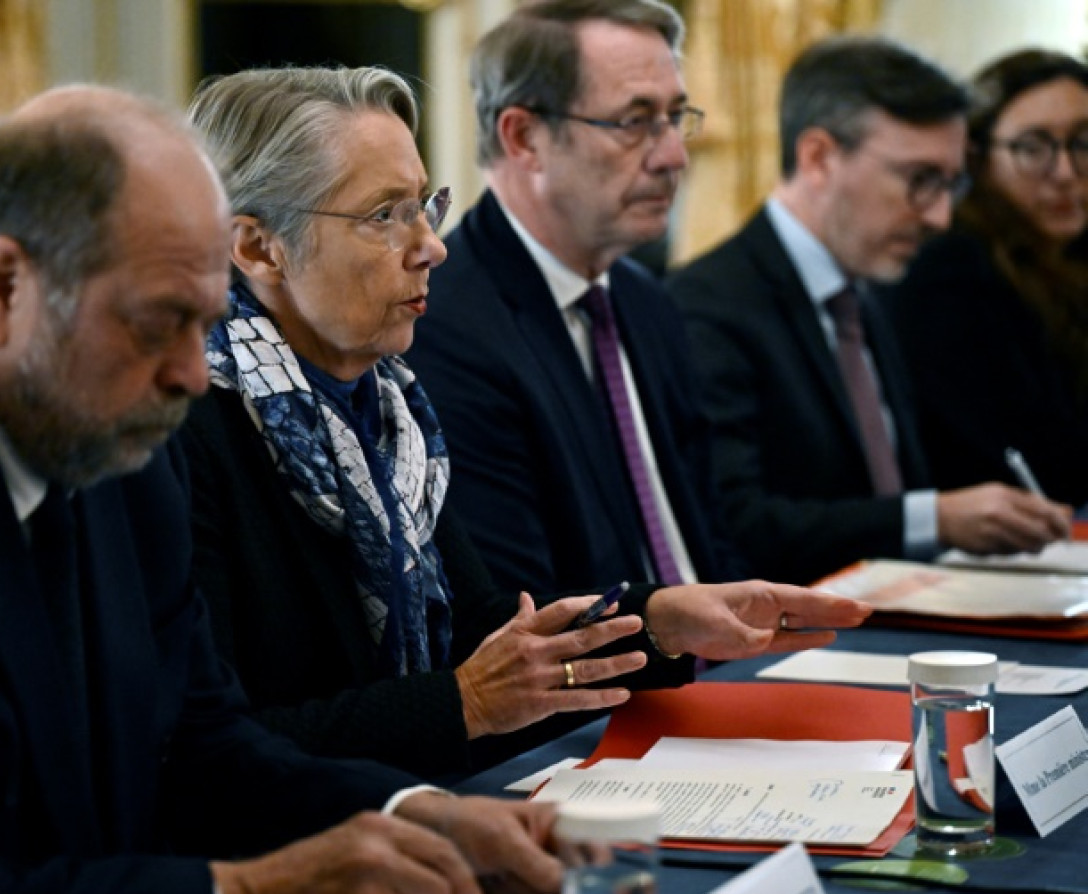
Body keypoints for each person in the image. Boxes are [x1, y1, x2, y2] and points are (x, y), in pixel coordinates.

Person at [0, 84, 567, 894]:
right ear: (4, 286)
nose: (193, 374)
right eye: (158, 322)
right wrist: (248, 892)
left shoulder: (119, 430)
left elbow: (201, 742)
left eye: (203, 324)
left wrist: (421, 816)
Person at [178, 65, 871, 780]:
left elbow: (484, 628)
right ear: (258, 247)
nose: (431, 245)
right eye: (383, 216)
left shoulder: (386, 400)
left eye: (424, 205)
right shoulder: (187, 432)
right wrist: (466, 704)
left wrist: (656, 620)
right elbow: (213, 753)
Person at [667, 36, 1073, 586]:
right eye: (920, 181)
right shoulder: (707, 307)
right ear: (819, 159)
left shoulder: (864, 291)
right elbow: (736, 524)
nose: (939, 217)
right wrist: (937, 517)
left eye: (952, 185)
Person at [407, 0, 747, 598]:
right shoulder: (446, 326)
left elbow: (709, 537)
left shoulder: (647, 304)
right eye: (635, 122)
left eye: (675, 117)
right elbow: (523, 609)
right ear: (525, 137)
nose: (675, 156)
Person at [882, 49, 1088, 510]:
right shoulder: (952, 269)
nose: (1065, 174)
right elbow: (1038, 461)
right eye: (1033, 148)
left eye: (1083, 143)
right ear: (978, 158)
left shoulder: (1073, 260)